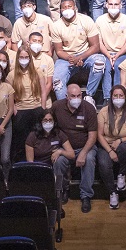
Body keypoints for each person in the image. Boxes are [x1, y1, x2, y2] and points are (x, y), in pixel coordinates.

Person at [52, 83, 100, 213]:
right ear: (66, 96)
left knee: (89, 159)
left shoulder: (88, 108)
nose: (76, 98)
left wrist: (83, 153)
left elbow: (93, 136)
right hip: (65, 147)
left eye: (79, 96)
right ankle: (63, 189)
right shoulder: (57, 107)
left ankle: (86, 196)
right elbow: (50, 124)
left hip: (86, 146)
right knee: (58, 161)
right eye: (73, 96)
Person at [97, 84, 126, 209]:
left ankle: (122, 175)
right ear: (111, 97)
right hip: (106, 144)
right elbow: (99, 135)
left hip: (125, 143)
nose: (118, 98)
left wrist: (120, 140)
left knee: (124, 148)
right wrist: (110, 151)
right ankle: (112, 192)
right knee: (104, 163)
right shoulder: (103, 112)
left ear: (125, 97)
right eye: (115, 96)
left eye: (121, 95)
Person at [50, 0, 102, 100]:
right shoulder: (56, 26)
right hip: (66, 58)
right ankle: (64, 104)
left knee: (99, 63)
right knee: (57, 81)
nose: (67, 9)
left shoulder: (86, 20)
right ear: (60, 10)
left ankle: (89, 96)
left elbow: (96, 46)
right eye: (64, 7)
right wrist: (70, 58)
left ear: (75, 8)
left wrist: (80, 57)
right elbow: (59, 51)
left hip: (86, 54)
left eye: (69, 6)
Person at [24, 110, 76, 202]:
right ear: (40, 122)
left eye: (50, 120)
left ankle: (60, 190)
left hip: (54, 167)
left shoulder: (58, 133)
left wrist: (60, 151)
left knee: (61, 160)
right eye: (45, 120)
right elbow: (30, 163)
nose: (48, 122)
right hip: (39, 168)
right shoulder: (32, 136)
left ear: (54, 122)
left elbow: (72, 154)